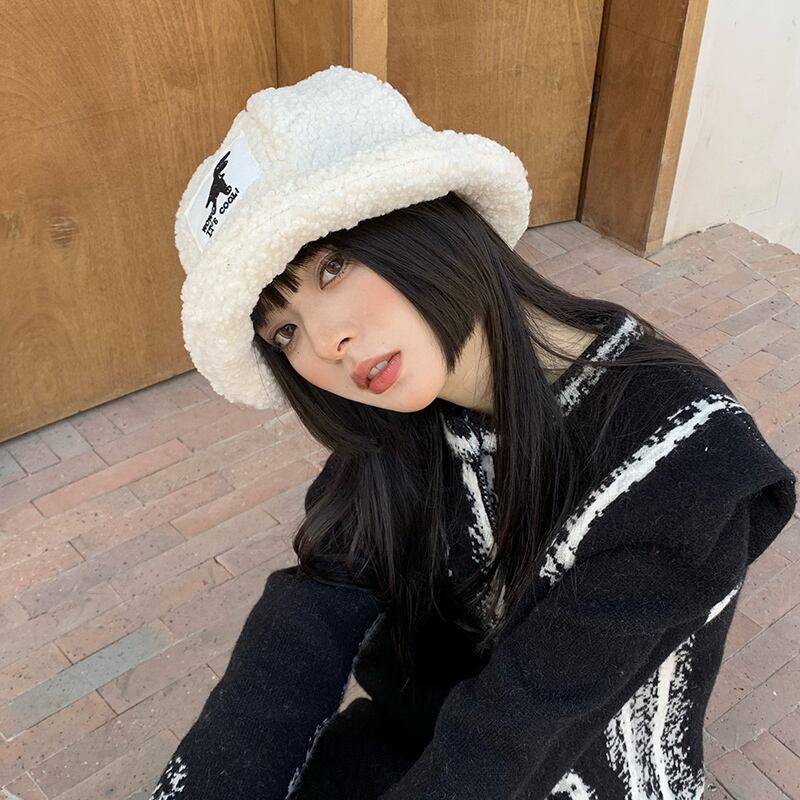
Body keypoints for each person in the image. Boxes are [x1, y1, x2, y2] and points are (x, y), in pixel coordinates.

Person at [148, 66, 796, 799]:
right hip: (418, 741)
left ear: (427, 213)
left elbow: (515, 736)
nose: (325, 343)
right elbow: (307, 618)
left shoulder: (682, 460)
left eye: (332, 267)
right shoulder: (400, 417)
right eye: (285, 330)